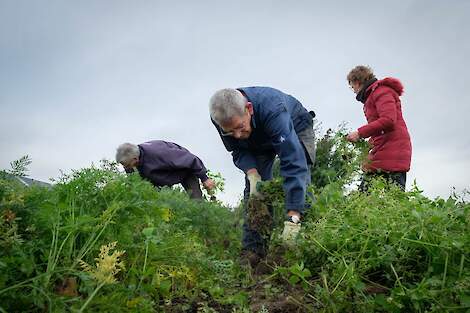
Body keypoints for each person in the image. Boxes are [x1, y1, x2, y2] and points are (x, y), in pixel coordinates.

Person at [209, 87, 316, 265]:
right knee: (255, 192)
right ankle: (254, 251)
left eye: (239, 127)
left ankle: (306, 238)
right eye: (229, 132)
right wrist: (252, 172)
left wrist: (293, 215)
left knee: (302, 180)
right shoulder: (219, 116)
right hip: (256, 137)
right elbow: (237, 149)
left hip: (294, 126)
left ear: (249, 108)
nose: (236, 135)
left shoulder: (273, 110)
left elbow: (293, 161)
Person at [346, 65, 412, 191]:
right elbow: (380, 131)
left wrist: (359, 133)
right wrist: (368, 148)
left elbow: (388, 120)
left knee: (391, 198)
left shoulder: (381, 92)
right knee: (367, 197)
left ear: (358, 82)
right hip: (385, 148)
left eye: (352, 86)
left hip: (394, 150)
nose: (353, 90)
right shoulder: (372, 95)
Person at [115, 140, 215, 198]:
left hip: (184, 170)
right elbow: (133, 183)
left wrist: (204, 178)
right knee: (160, 204)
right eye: (123, 165)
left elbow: (190, 159)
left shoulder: (159, 153)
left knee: (196, 201)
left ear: (135, 159)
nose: (125, 168)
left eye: (126, 165)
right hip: (160, 178)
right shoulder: (130, 163)